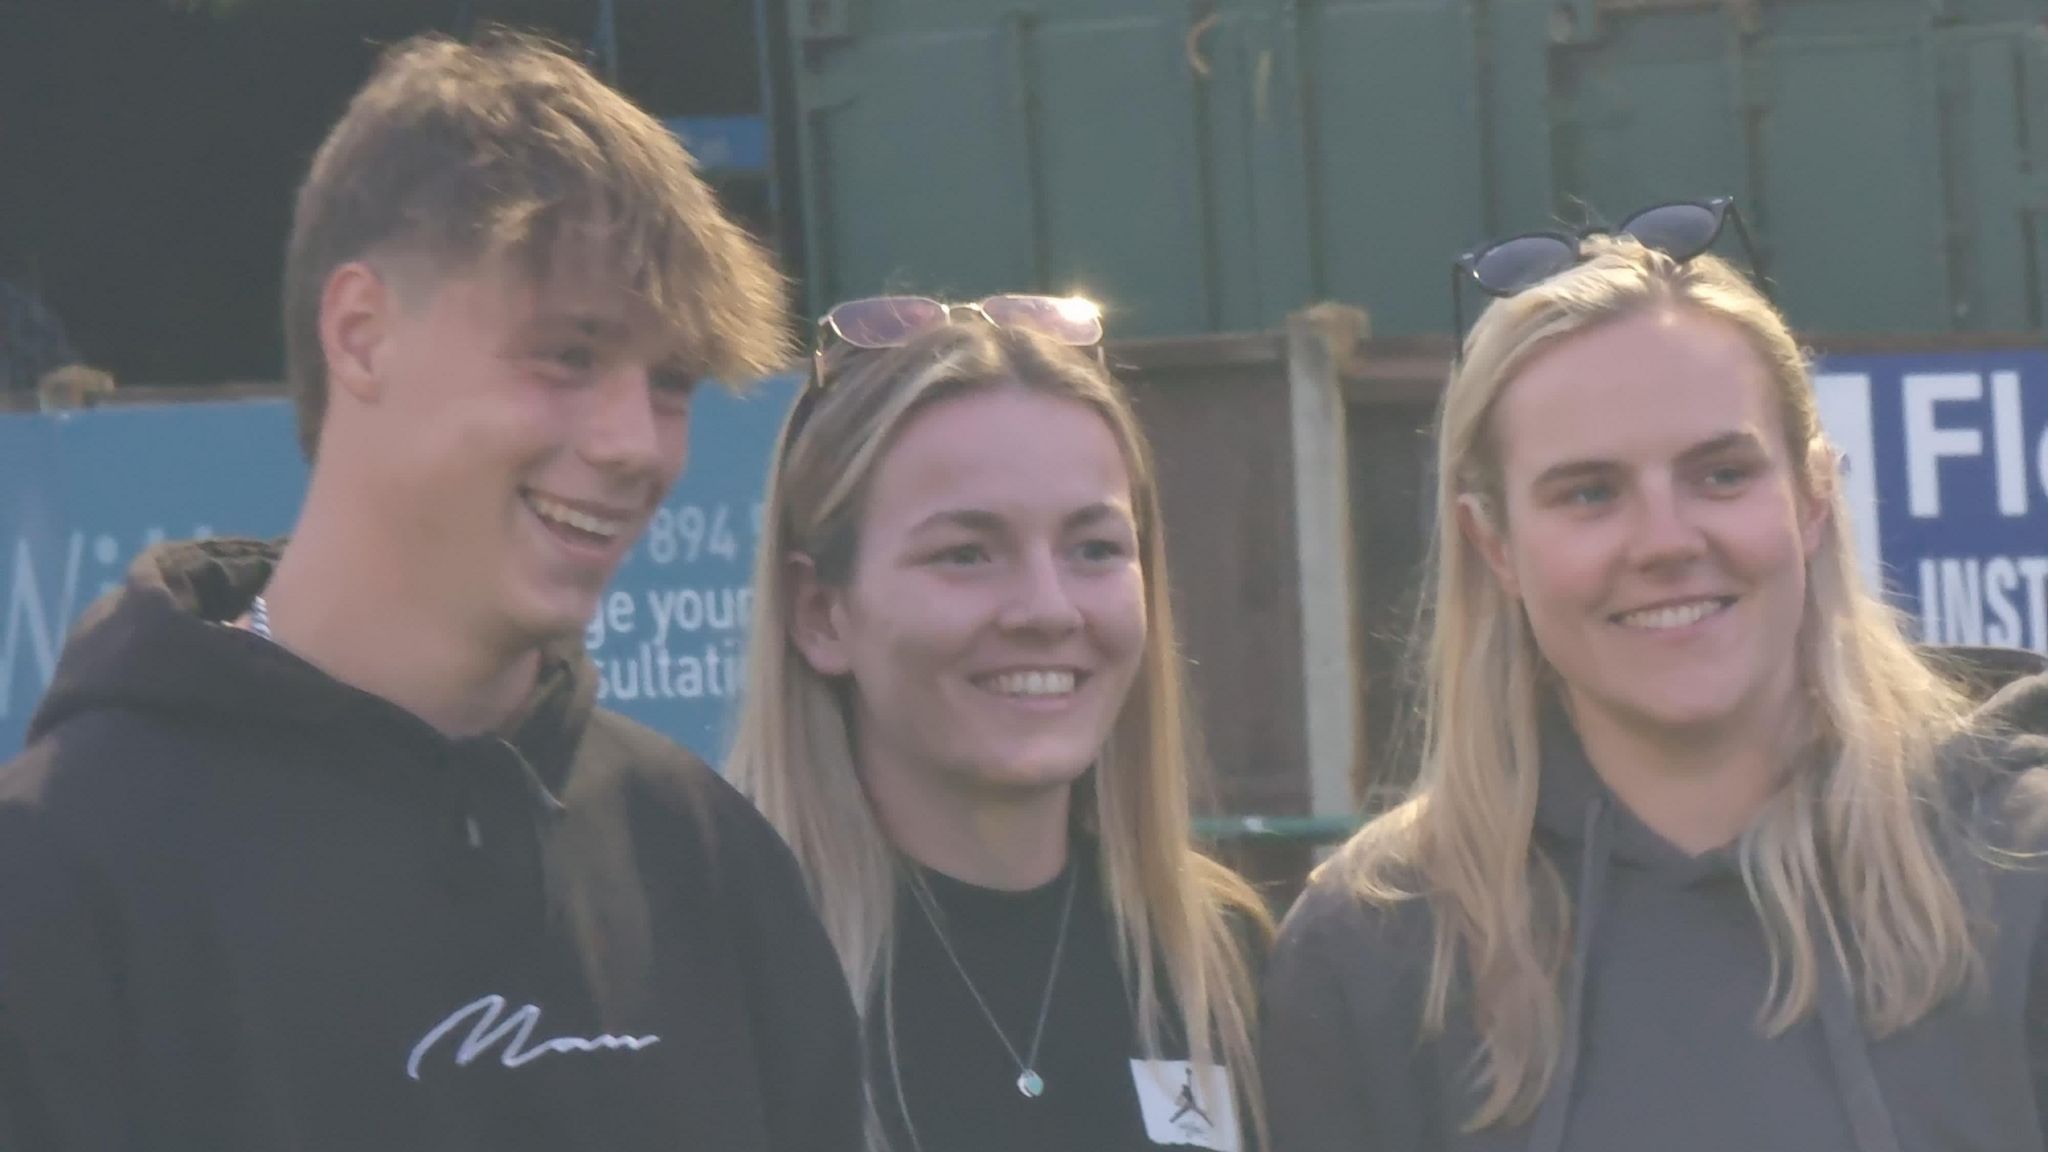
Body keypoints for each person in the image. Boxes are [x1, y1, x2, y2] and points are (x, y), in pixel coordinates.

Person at [0, 31, 860, 1152]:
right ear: (362, 335)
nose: (633, 443)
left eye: (669, 383)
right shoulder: (57, 872)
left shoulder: (705, 860)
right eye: (567, 355)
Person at [1260, 232, 2048, 1152]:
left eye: (1721, 474)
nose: (1665, 541)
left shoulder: (2016, 865)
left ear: (1812, 497)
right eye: (1589, 493)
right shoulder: (1376, 947)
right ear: (1495, 546)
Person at [726, 298, 1271, 1152]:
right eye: (966, 554)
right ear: (821, 615)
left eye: (1093, 549)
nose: (1047, 611)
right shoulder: (718, 976)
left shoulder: (1221, 965)